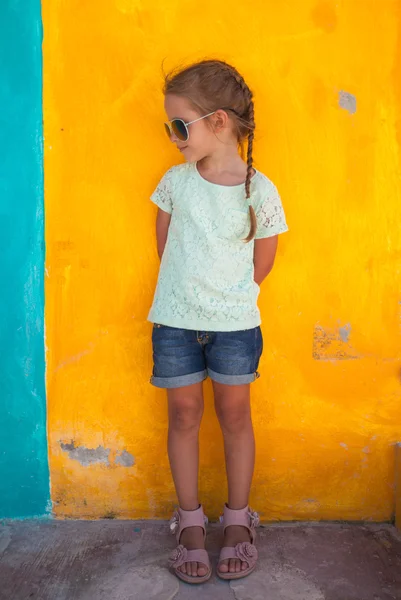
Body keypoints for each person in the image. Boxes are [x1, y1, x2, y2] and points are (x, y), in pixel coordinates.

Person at [148, 59, 288, 584]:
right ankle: (188, 525)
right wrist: (187, 296)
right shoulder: (174, 182)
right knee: (182, 416)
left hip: (235, 327)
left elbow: (264, 261)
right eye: (170, 126)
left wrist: (231, 300)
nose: (173, 136)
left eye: (180, 125)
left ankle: (236, 522)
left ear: (220, 122)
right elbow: (165, 245)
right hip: (175, 324)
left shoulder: (260, 190)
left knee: (235, 418)